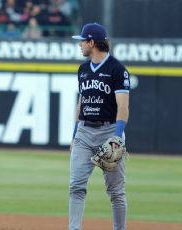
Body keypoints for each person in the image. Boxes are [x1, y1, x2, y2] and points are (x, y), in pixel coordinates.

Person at [69, 22, 130, 230]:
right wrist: (74, 134)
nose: (80, 45)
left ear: (92, 42)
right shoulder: (83, 69)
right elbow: (81, 102)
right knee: (76, 185)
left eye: (82, 41)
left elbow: (123, 107)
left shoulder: (117, 69)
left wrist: (117, 136)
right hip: (84, 133)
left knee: (116, 192)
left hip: (108, 132)